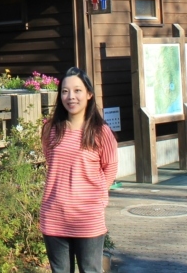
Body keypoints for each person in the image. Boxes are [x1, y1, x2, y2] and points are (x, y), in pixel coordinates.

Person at [40, 67, 118, 273]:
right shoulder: (50, 129)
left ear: (89, 94)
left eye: (77, 91)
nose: (71, 97)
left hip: (88, 216)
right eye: (65, 91)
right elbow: (52, 162)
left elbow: (110, 166)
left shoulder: (101, 132)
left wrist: (100, 194)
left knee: (90, 270)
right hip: (54, 215)